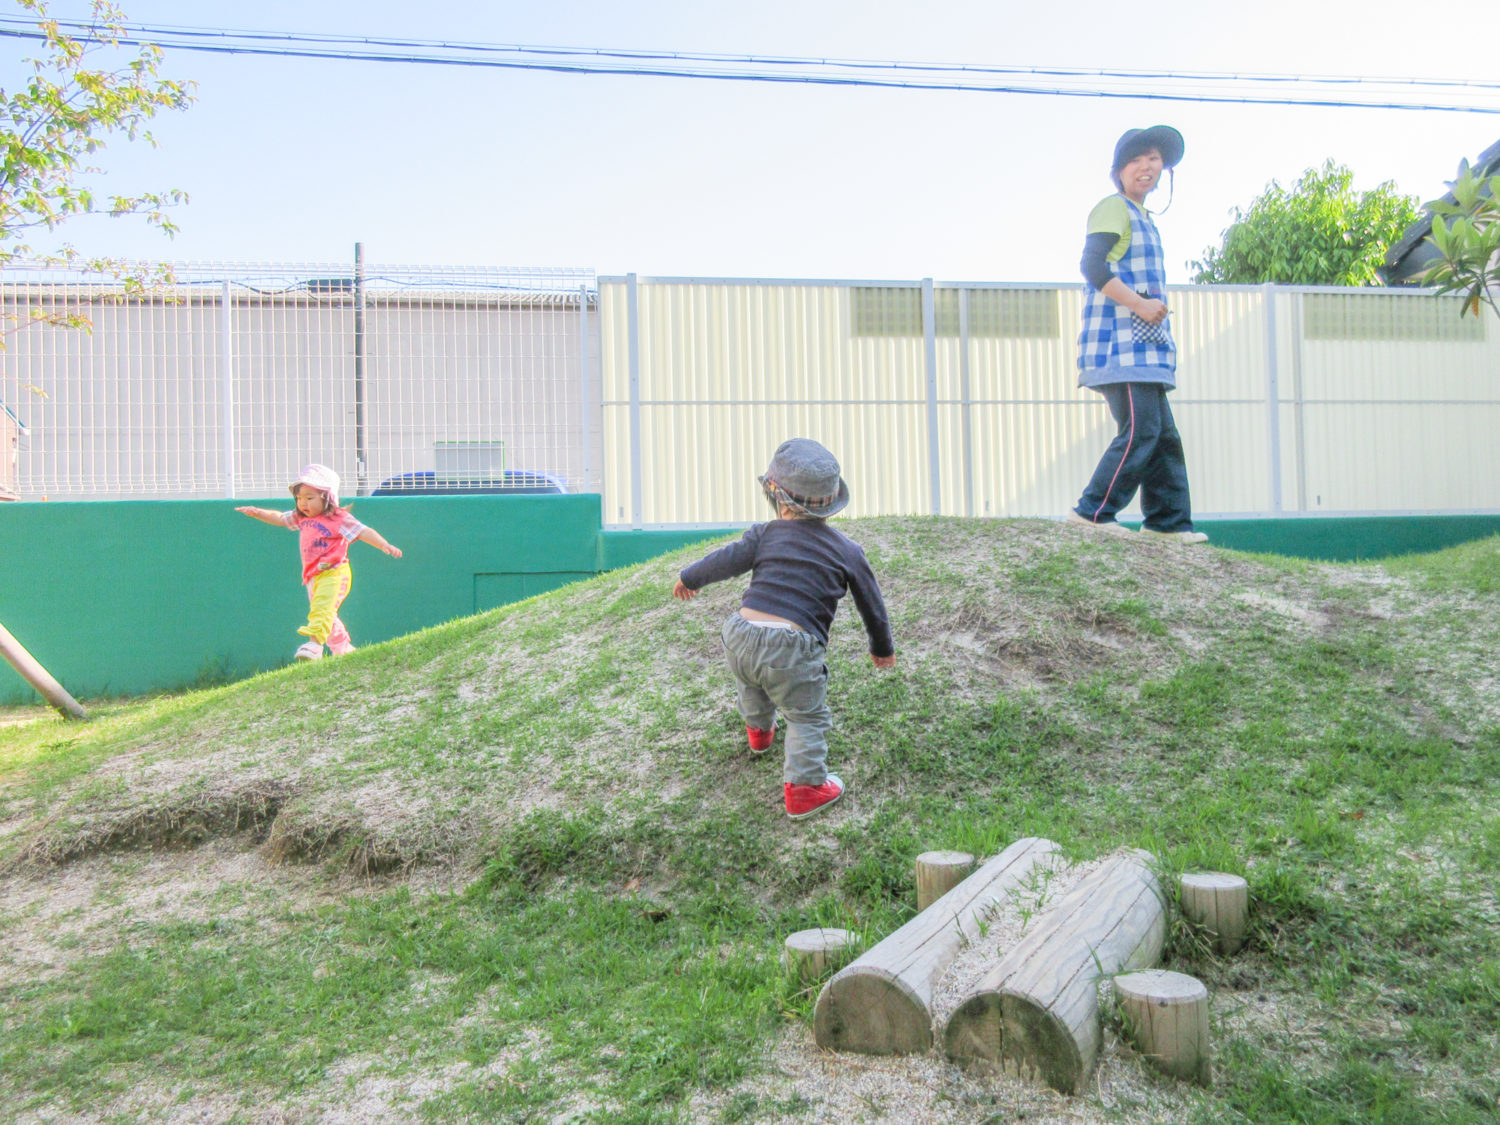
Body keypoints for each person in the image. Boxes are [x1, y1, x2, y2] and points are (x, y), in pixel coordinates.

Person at [672, 439, 896, 821]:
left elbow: (725, 560)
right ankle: (806, 788)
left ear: (774, 494)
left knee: (753, 682)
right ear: (833, 500)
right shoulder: (847, 550)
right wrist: (881, 648)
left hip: (740, 633)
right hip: (792, 648)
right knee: (805, 715)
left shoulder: (765, 534)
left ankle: (759, 733)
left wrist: (689, 577)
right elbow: (871, 604)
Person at [1070, 124, 1208, 545]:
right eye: (1137, 159)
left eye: (1155, 159)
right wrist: (1140, 304)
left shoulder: (1143, 217)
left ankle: (1167, 523)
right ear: (1119, 170)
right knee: (1142, 432)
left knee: (1164, 437)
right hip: (1118, 344)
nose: (1147, 166)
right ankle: (1093, 512)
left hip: (1144, 347)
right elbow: (1093, 266)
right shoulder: (1114, 208)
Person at [236, 463, 403, 661]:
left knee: (322, 608)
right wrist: (258, 512)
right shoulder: (301, 518)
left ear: (328, 497)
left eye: (310, 498)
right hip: (313, 576)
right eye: (299, 498)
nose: (303, 504)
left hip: (335, 572)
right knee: (327, 613)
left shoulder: (339, 518)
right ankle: (343, 649)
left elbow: (363, 531)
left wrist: (384, 544)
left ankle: (314, 645)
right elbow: (280, 517)